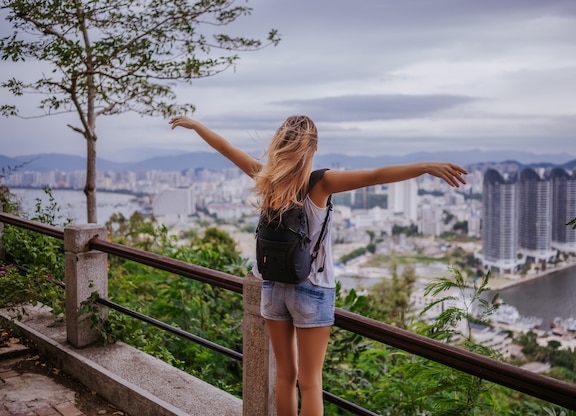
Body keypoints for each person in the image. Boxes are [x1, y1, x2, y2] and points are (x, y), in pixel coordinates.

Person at [169, 114, 467, 416]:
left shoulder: (267, 178)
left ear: (280, 144)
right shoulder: (321, 183)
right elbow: (376, 176)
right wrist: (426, 167)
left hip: (272, 288)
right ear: (312, 148)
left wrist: (196, 126)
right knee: (310, 382)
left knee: (285, 376)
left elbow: (226, 148)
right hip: (312, 290)